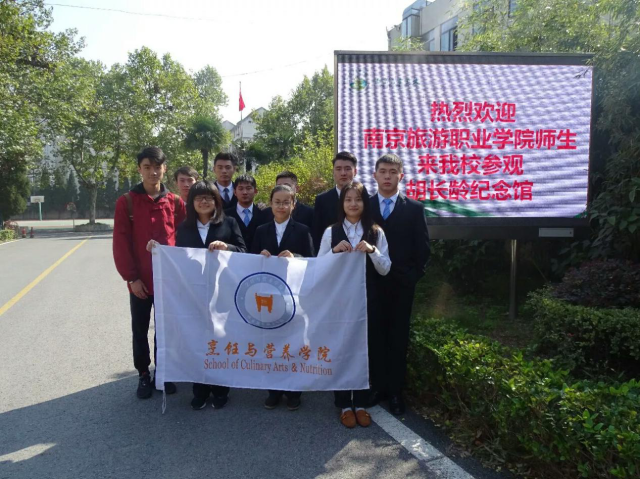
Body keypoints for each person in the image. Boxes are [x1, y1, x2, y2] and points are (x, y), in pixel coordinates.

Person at [148, 181, 246, 410]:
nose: (204, 201)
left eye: (209, 197)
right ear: (191, 202)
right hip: (193, 295)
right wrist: (157, 250)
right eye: (199, 198)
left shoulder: (229, 222)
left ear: (216, 201)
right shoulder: (184, 228)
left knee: (220, 341)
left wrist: (227, 247)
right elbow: (177, 258)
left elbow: (244, 251)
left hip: (222, 293)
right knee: (197, 341)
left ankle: (221, 389)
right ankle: (199, 389)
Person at [113, 146, 186, 399]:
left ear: (164, 169)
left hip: (169, 280)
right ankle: (143, 373)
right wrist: (131, 278)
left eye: (157, 167)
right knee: (141, 329)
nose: (153, 172)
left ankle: (163, 372)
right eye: (147, 167)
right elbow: (121, 243)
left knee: (166, 330)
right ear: (139, 169)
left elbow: (184, 239)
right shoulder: (127, 202)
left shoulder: (175, 202)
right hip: (141, 281)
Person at [317, 182, 391, 428]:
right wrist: (333, 252)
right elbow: (318, 269)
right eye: (348, 199)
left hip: (368, 300)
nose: (353, 204)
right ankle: (343, 404)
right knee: (340, 349)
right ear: (342, 204)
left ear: (365, 203)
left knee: (365, 350)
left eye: (358, 199)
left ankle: (360, 403)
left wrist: (372, 251)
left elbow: (386, 268)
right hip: (338, 302)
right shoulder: (331, 232)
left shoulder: (376, 232)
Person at [368, 154, 430, 415]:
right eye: (383, 171)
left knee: (398, 338)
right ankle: (377, 387)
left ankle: (395, 393)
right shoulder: (365, 205)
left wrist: (411, 277)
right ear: (374, 175)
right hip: (371, 284)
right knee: (374, 336)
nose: (387, 176)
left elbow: (423, 249)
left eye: (393, 172)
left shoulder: (414, 208)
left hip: (401, 285)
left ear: (401, 176)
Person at [251, 185, 314, 411]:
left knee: (293, 343)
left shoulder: (303, 230)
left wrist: (295, 256)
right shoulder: (261, 230)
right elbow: (249, 260)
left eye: (286, 202)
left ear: (293, 205)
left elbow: (312, 261)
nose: (281, 206)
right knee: (271, 343)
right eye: (277, 202)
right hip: (268, 296)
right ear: (270, 204)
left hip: (294, 296)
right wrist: (259, 256)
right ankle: (273, 390)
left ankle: (294, 391)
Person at [312, 151, 363, 252]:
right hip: (331, 256)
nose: (343, 173)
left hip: (361, 255)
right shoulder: (322, 200)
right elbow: (317, 235)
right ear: (333, 172)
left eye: (347, 169)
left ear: (355, 171)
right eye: (338, 169)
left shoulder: (366, 199)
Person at [224, 174, 273, 248]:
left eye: (248, 188)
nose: (245, 192)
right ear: (235, 192)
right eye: (241, 189)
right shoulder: (225, 215)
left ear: (255, 191)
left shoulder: (264, 215)